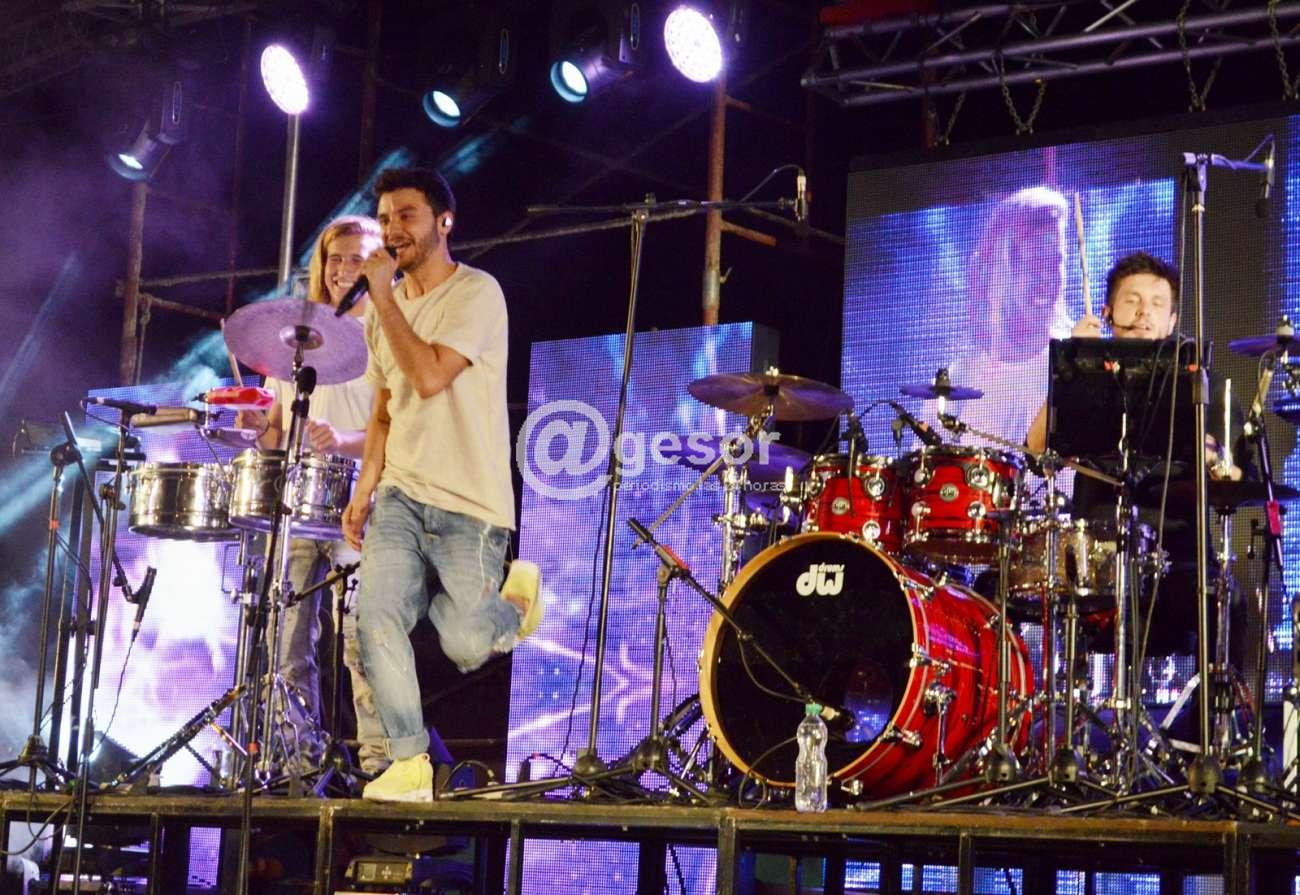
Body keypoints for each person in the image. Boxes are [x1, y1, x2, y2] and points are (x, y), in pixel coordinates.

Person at [341, 167, 542, 804]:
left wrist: (384, 301)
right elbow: (385, 408)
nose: (392, 229)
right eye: (385, 218)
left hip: (469, 502)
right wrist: (365, 488)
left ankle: (514, 606)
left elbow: (428, 376)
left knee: (463, 642)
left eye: (406, 215)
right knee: (373, 617)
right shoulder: (382, 312)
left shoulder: (476, 294)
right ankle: (408, 762)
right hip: (402, 493)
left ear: (443, 222)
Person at [1025, 251, 1250, 655]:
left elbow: (1235, 476)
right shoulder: (1085, 379)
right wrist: (1071, 366)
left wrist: (1213, 457)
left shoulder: (1203, 386)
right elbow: (1036, 454)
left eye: (1157, 304)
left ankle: (1211, 697)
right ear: (1108, 313)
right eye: (1132, 301)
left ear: (1172, 321)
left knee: (1227, 601)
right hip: (1097, 559)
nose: (1145, 312)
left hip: (1179, 558)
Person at [234, 214, 388, 777]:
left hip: (364, 503)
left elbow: (400, 427)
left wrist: (342, 439)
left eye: (357, 259)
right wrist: (259, 429)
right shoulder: (296, 338)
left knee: (364, 638)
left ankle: (381, 762)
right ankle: (296, 763)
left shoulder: (390, 332)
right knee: (286, 638)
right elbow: (278, 431)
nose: (344, 269)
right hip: (299, 502)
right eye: (335, 259)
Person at [921, 186, 1075, 442]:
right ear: (1000, 269)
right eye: (1033, 262)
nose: (1047, 278)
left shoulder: (1074, 370)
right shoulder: (958, 380)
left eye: (1055, 262)